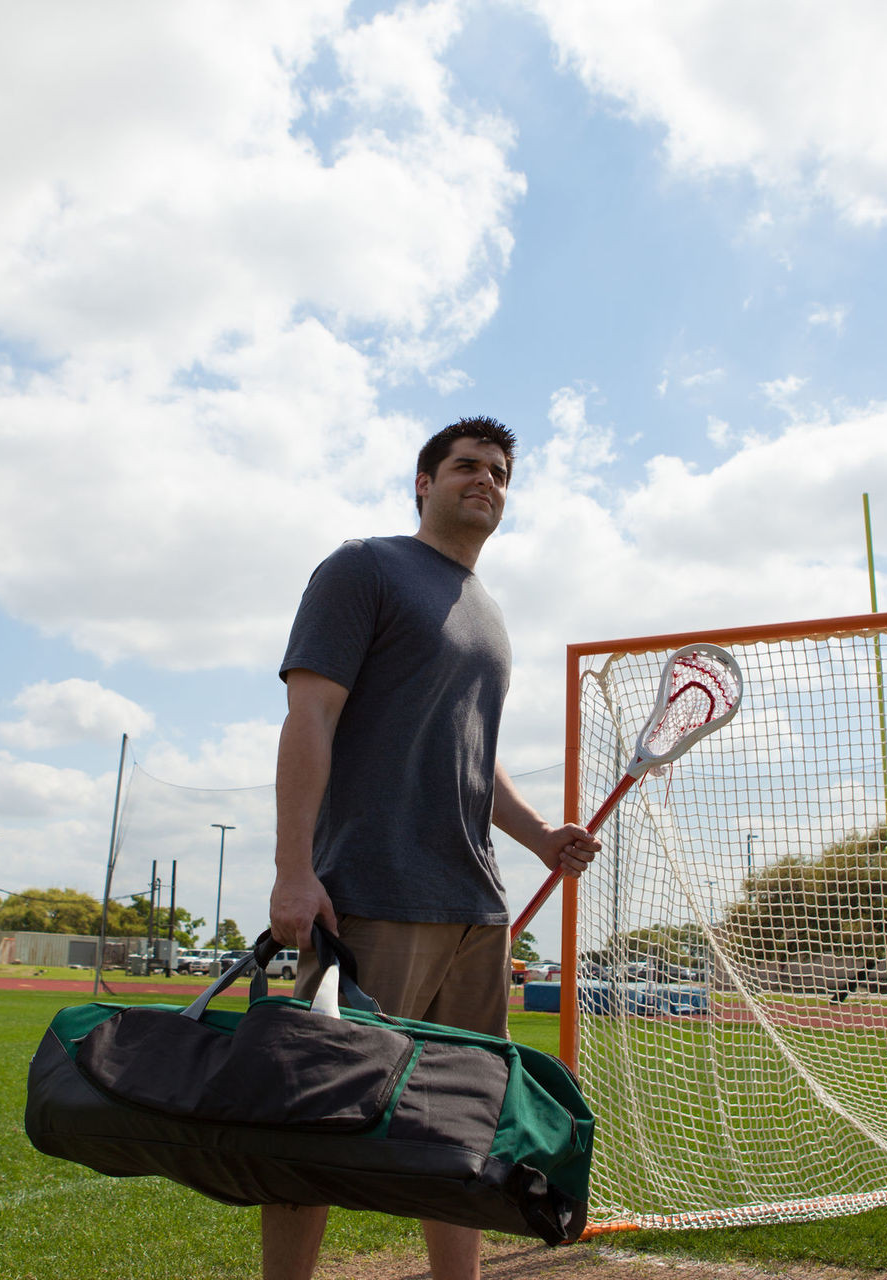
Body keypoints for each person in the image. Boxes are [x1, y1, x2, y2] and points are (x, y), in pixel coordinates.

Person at [264, 416, 599, 1280]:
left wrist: (540, 837)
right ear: (424, 483)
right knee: (324, 1118)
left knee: (459, 1129)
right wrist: (293, 871)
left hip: (475, 911)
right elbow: (310, 717)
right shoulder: (363, 567)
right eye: (465, 466)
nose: (485, 479)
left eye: (499, 471)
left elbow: (474, 761)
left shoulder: (489, 615)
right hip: (373, 895)